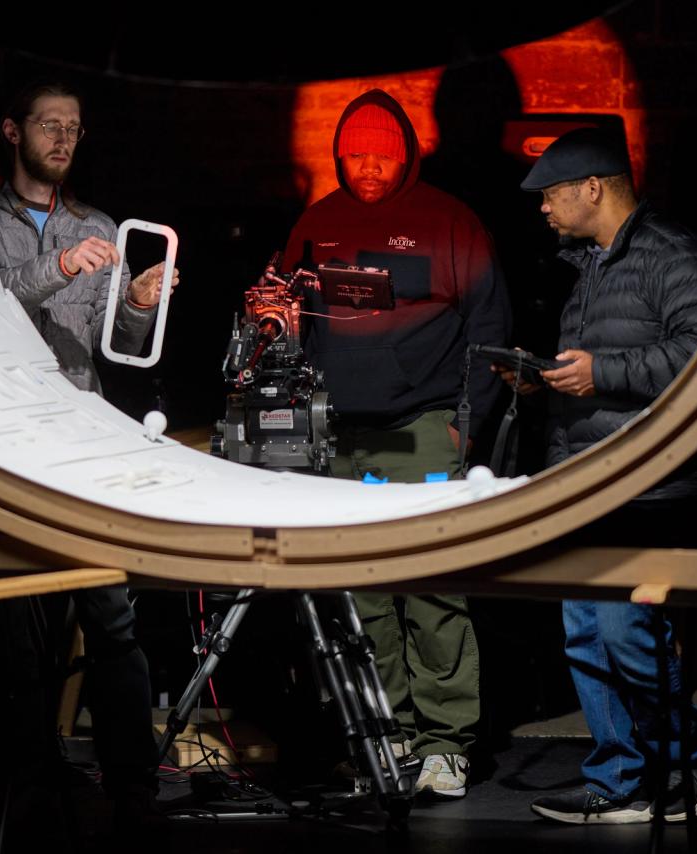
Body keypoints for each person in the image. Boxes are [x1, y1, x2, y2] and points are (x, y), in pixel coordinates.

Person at [283, 89, 512, 799]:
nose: (369, 167)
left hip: (423, 431)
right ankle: (390, 739)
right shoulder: (318, 222)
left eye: (382, 153)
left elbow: (492, 330)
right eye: (356, 155)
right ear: (339, 154)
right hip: (341, 439)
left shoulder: (451, 221)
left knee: (432, 587)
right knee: (362, 597)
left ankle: (446, 745)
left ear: (407, 151)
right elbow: (283, 310)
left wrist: (462, 429)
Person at [497, 127, 697, 824]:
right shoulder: (590, 263)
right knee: (586, 634)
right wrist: (546, 380)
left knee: (627, 631)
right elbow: (599, 364)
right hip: (589, 478)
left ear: (592, 187)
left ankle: (692, 762)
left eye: (551, 195)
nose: (542, 209)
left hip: (646, 484)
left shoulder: (673, 254)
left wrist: (601, 375)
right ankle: (620, 780)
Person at [0, 81, 176, 825]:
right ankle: (26, 777)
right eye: (48, 125)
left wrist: (139, 302)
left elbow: (117, 349)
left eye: (74, 129)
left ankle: (133, 786)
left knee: (111, 616)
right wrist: (54, 271)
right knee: (13, 624)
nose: (62, 138)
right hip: (3, 441)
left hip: (79, 440)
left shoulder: (99, 224)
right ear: (12, 129)